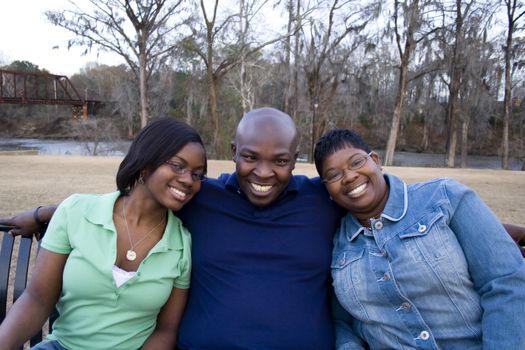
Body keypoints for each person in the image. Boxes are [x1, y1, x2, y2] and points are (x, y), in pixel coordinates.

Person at [3, 107, 525, 349]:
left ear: (296, 161)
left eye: (280, 160)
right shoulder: (202, 197)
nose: (263, 172)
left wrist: (490, 229)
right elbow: (127, 201)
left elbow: (408, 210)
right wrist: (41, 214)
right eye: (250, 157)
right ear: (234, 154)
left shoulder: (321, 198)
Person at [0, 117, 207, 350]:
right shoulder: (76, 212)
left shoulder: (180, 245)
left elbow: (166, 330)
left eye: (198, 174)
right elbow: (37, 299)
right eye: (178, 165)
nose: (189, 180)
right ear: (146, 162)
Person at [313, 128, 525, 349]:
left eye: (356, 162)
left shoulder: (444, 198)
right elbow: (342, 322)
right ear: (327, 190)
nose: (349, 176)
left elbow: (505, 282)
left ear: (375, 160)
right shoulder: (337, 246)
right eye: (334, 175)